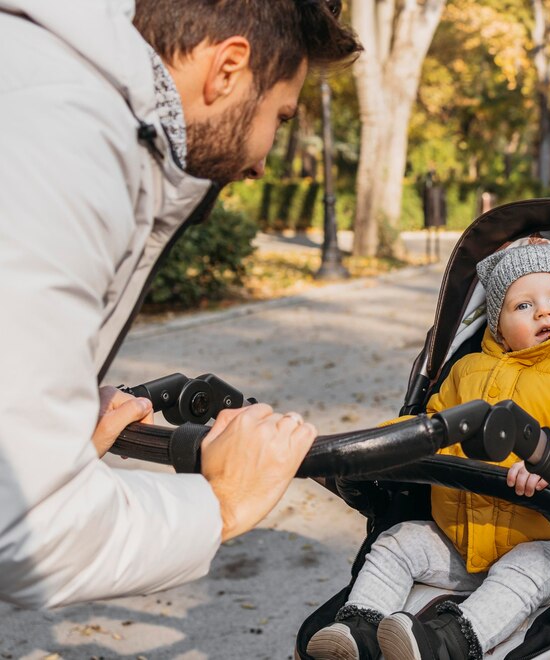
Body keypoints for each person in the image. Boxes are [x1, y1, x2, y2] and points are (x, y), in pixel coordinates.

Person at [0, 0, 361, 608]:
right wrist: (218, 504)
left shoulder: (41, 84)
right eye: (280, 114)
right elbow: (24, 530)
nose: (262, 162)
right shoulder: (69, 144)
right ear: (228, 68)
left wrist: (47, 421)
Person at [307, 241, 550, 659]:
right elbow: (427, 428)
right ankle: (358, 629)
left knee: (529, 569)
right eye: (523, 305)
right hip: (461, 541)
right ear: (497, 324)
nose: (544, 311)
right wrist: (376, 449)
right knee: (398, 541)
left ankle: (451, 642)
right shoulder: (467, 370)